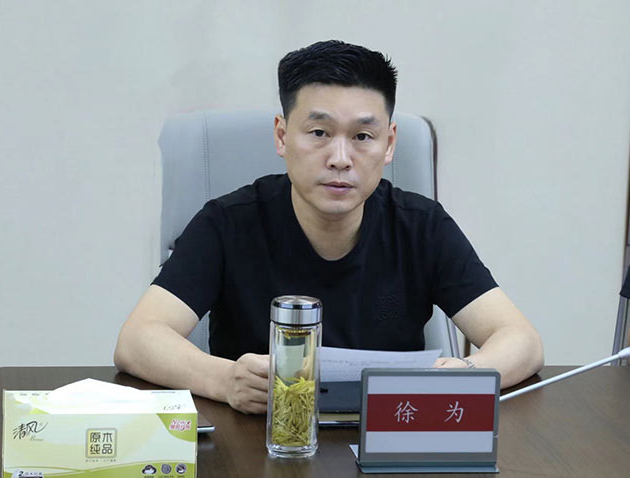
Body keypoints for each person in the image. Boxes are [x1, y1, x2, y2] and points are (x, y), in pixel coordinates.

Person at [114, 40, 544, 414]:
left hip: (390, 441)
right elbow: (138, 339)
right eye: (319, 132)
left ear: (389, 143)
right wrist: (225, 380)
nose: (340, 158)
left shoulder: (422, 227)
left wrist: (468, 373)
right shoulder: (227, 222)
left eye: (362, 137)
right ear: (282, 136)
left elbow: (520, 339)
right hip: (262, 439)